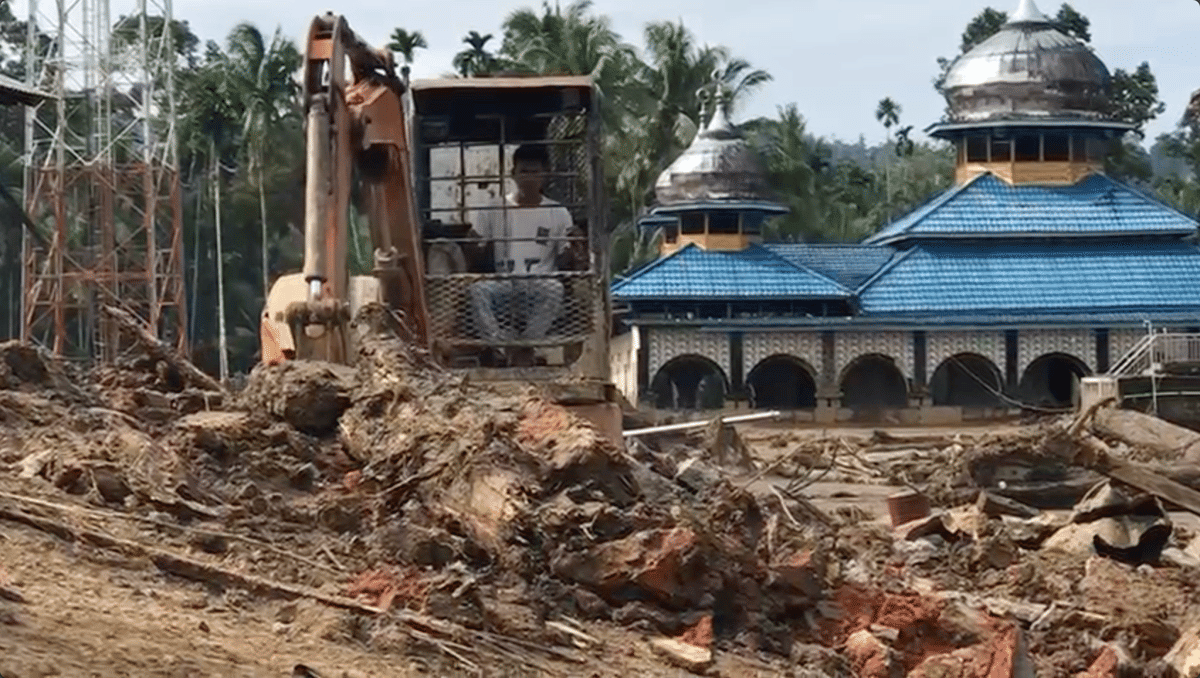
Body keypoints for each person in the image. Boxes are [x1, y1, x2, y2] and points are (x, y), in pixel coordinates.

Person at [466, 143, 580, 366]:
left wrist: (575, 248)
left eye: (535, 172)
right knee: (477, 291)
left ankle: (527, 347)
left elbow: (565, 258)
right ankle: (501, 348)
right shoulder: (493, 209)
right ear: (513, 174)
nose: (529, 177)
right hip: (504, 286)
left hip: (539, 286)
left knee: (555, 289)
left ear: (544, 176)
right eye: (524, 171)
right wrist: (471, 244)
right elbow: (474, 248)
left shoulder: (558, 212)